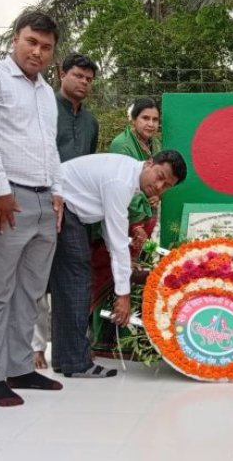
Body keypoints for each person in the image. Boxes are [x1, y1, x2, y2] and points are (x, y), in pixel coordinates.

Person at [0, 11, 64, 407]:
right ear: (15, 38)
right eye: (31, 42)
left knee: (30, 292)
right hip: (9, 199)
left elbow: (51, 146)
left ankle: (21, 367)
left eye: (46, 47)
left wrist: (58, 193)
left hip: (46, 200)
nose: (38, 52)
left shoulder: (47, 91)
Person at [52, 150, 187, 377]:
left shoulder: (127, 174)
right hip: (64, 207)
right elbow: (116, 242)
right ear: (149, 163)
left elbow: (111, 232)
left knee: (71, 283)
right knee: (78, 281)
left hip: (70, 209)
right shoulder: (120, 181)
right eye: (160, 176)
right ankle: (75, 362)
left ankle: (64, 358)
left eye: (166, 186)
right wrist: (122, 295)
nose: (159, 186)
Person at [33, 52, 99, 370]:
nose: (83, 83)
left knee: (70, 279)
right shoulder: (45, 109)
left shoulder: (90, 122)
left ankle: (65, 354)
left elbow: (89, 164)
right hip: (40, 201)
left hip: (75, 211)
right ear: (62, 74)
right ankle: (30, 352)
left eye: (89, 79)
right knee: (33, 279)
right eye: (78, 76)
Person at [90, 97, 162, 358]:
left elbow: (152, 182)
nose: (150, 124)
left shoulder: (154, 146)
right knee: (109, 275)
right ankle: (100, 341)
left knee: (133, 274)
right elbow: (125, 188)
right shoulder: (122, 145)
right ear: (133, 120)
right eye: (145, 118)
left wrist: (155, 195)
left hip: (145, 221)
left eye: (155, 119)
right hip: (125, 221)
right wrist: (135, 224)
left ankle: (123, 339)